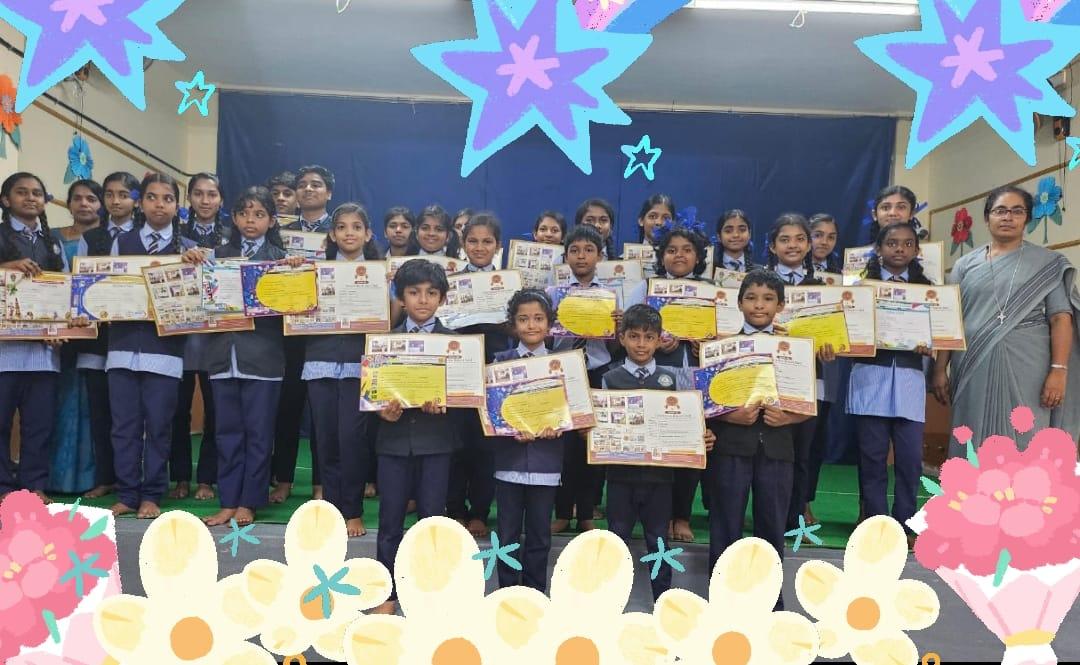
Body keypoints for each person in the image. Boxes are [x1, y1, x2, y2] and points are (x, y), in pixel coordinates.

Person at [183, 186, 297, 527]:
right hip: (222, 356)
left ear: (272, 220)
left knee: (259, 435)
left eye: (259, 214)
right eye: (244, 213)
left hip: (263, 359)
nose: (251, 220)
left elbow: (296, 309)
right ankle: (229, 501)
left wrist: (295, 274)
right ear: (233, 218)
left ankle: (249, 502)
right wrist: (190, 262)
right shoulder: (216, 256)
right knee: (226, 433)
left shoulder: (282, 260)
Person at [933, 185, 1079, 448]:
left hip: (1028, 366)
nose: (1008, 217)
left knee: (1026, 433)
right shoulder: (964, 266)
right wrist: (940, 369)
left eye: (1017, 211)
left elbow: (1060, 318)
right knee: (970, 435)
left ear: (1027, 219)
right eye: (1000, 210)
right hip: (972, 363)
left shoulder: (1048, 263)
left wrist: (1059, 371)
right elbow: (950, 319)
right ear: (987, 218)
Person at [707, 269, 812, 610]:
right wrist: (730, 416)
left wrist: (788, 418)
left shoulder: (795, 349)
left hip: (778, 448)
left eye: (768, 299)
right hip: (731, 447)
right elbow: (707, 402)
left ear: (780, 306)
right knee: (726, 526)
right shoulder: (722, 347)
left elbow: (808, 405)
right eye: (751, 298)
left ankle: (770, 605)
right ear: (739, 303)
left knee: (771, 527)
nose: (759, 305)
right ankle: (721, 602)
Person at [603, 303, 715, 600]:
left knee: (660, 543)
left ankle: (663, 602)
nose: (641, 344)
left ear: (659, 339)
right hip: (620, 477)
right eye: (634, 336)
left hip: (660, 479)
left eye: (649, 337)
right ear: (622, 338)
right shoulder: (610, 379)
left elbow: (688, 422)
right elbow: (599, 427)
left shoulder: (672, 379)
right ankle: (609, 602)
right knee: (616, 541)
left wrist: (700, 437)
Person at [372, 259, 463, 615]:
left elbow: (466, 396)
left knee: (432, 522)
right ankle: (387, 594)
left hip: (436, 443)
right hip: (393, 443)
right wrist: (381, 411)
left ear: (442, 298)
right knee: (389, 521)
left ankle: (428, 592)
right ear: (401, 297)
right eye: (413, 292)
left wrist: (447, 404)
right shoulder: (383, 343)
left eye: (431, 293)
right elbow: (371, 395)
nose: (422, 300)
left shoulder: (455, 345)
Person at [107, 173, 195, 518]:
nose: (160, 205)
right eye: (152, 197)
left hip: (165, 353)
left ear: (177, 206)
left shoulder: (189, 250)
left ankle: (152, 494)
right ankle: (127, 493)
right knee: (124, 427)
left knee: (159, 427)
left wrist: (196, 269)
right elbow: (108, 290)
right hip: (122, 349)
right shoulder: (122, 242)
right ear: (140, 203)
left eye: (168, 198)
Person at [850, 222, 933, 543]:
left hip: (910, 381)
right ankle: (876, 528)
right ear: (879, 249)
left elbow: (942, 333)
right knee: (871, 460)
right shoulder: (861, 289)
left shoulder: (927, 291)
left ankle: (906, 525)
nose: (900, 249)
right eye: (892, 243)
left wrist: (930, 344)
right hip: (870, 380)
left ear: (916, 250)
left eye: (908, 243)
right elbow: (849, 333)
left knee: (910, 462)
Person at [303, 203, 379, 537]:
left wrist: (388, 289)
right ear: (332, 235)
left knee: (352, 440)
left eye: (357, 227)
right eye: (342, 227)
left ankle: (353, 511)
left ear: (368, 234)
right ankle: (333, 510)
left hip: (358, 366)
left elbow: (390, 319)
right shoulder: (312, 272)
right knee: (326, 441)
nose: (349, 233)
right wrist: (294, 276)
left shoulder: (379, 273)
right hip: (319, 363)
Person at [0, 172, 68, 503]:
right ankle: (3, 487)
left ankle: (33, 486)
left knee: (39, 425)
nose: (30, 198)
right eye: (22, 192)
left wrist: (61, 330)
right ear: (5, 200)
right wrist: (8, 267)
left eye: (37, 193)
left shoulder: (52, 241)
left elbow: (65, 289)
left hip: (44, 352)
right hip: (4, 353)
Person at [549, 224, 620, 534]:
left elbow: (616, 347)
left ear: (599, 256)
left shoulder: (609, 296)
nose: (581, 256)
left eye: (589, 250)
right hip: (564, 370)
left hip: (597, 370)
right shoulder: (554, 294)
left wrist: (618, 327)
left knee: (593, 443)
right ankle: (563, 511)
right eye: (575, 250)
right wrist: (551, 320)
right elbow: (546, 340)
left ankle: (588, 512)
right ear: (566, 256)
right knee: (564, 446)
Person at [492, 289, 563, 591]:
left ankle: (535, 595)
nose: (531, 325)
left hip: (546, 464)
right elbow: (493, 412)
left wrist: (561, 426)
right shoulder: (500, 363)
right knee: (506, 535)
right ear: (513, 324)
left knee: (539, 536)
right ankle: (507, 594)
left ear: (550, 324)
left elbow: (574, 412)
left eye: (538, 319)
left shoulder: (564, 365)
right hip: (508, 462)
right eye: (523, 319)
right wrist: (507, 428)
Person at [272, 167, 334, 503]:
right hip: (290, 331)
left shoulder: (339, 230)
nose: (308, 189)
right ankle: (283, 480)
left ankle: (321, 484)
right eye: (302, 185)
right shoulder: (280, 233)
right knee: (288, 408)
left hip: (326, 333)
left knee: (324, 415)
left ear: (328, 193)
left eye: (316, 185)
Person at [76, 171, 140, 499]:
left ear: (136, 200)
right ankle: (106, 477)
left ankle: (137, 478)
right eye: (110, 194)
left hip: (135, 337)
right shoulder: (92, 238)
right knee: (101, 412)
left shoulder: (145, 237)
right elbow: (79, 285)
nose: (116, 201)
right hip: (98, 337)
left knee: (135, 417)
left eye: (123, 194)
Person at [447, 213, 509, 536]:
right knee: (456, 442)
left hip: (492, 371)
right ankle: (455, 508)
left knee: (487, 445)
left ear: (497, 246)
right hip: (457, 371)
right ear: (463, 243)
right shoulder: (450, 283)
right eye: (473, 241)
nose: (480, 247)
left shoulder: (508, 283)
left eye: (487, 241)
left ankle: (480, 512)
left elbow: (518, 328)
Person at [171, 172, 228, 502]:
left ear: (221, 200)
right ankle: (180, 476)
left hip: (215, 338)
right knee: (177, 411)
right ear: (189, 198)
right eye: (199, 194)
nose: (205, 200)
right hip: (177, 336)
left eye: (212, 194)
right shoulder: (174, 236)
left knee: (215, 413)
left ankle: (207, 478)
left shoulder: (232, 236)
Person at [48, 179, 103, 494]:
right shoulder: (51, 239)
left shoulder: (107, 241)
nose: (84, 204)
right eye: (78, 198)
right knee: (59, 402)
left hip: (97, 336)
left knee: (94, 406)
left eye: (91, 199)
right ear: (68, 203)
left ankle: (91, 477)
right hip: (57, 336)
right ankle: (55, 477)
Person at [715, 209, 757, 274]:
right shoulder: (709, 269)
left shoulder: (758, 272)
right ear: (719, 236)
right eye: (728, 231)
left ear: (749, 234)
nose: (736, 235)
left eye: (742, 230)